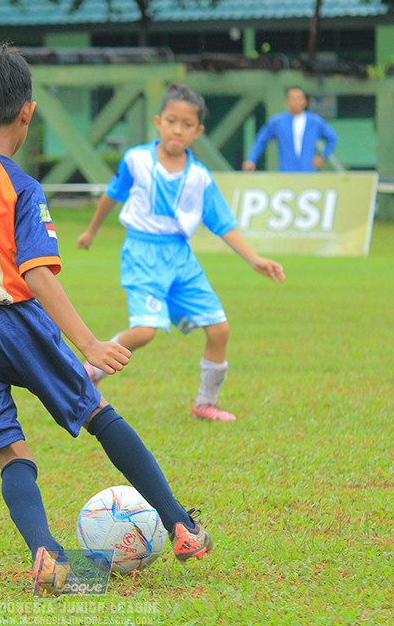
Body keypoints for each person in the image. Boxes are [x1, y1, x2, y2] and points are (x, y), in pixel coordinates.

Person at [0, 45, 212, 596]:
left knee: (11, 452)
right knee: (96, 412)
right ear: (28, 112)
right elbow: (38, 274)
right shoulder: (22, 187)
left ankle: (49, 556)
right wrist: (88, 342)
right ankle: (181, 524)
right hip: (13, 320)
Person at [78, 83, 286, 422]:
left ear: (198, 131)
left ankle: (206, 403)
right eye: (172, 121)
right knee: (145, 331)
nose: (178, 130)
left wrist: (255, 259)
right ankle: (90, 371)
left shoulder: (200, 178)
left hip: (180, 257)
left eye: (187, 124)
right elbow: (111, 195)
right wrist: (91, 230)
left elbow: (222, 223)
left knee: (219, 328)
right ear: (159, 122)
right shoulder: (136, 160)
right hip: (142, 251)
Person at [242, 86, 337, 173]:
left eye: (299, 99)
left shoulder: (315, 121)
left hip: (309, 173)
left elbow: (332, 137)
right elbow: (261, 140)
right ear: (287, 102)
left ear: (304, 101)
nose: (296, 102)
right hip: (286, 173)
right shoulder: (278, 122)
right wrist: (251, 160)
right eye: (293, 99)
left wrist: (323, 157)